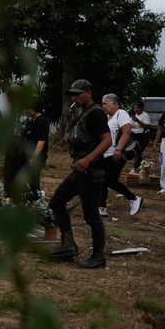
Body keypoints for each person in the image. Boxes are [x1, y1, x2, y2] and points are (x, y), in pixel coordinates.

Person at [49, 79, 113, 269]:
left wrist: (88, 159)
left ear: (88, 93)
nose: (74, 97)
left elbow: (107, 140)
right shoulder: (85, 113)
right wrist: (72, 138)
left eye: (77, 94)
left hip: (91, 171)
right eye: (72, 94)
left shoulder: (96, 113)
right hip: (79, 171)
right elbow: (88, 137)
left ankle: (99, 257)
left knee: (92, 216)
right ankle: (68, 244)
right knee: (56, 202)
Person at [98, 93, 142, 217]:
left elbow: (127, 131)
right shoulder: (107, 117)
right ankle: (102, 208)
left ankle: (134, 199)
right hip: (105, 155)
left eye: (105, 104)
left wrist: (118, 149)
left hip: (116, 155)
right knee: (102, 181)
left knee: (110, 181)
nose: (103, 106)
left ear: (114, 104)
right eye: (102, 104)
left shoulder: (121, 114)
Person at [19, 99, 49, 202]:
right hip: (27, 156)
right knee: (34, 185)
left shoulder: (42, 121)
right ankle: (37, 205)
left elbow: (42, 140)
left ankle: (28, 201)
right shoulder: (31, 121)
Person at [129, 100, 153, 170]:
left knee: (138, 152)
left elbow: (146, 126)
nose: (135, 109)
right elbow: (131, 125)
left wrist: (138, 121)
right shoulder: (133, 115)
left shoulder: (145, 115)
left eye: (137, 107)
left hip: (143, 135)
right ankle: (144, 165)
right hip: (135, 135)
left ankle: (134, 167)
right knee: (136, 151)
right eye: (134, 107)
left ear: (141, 108)